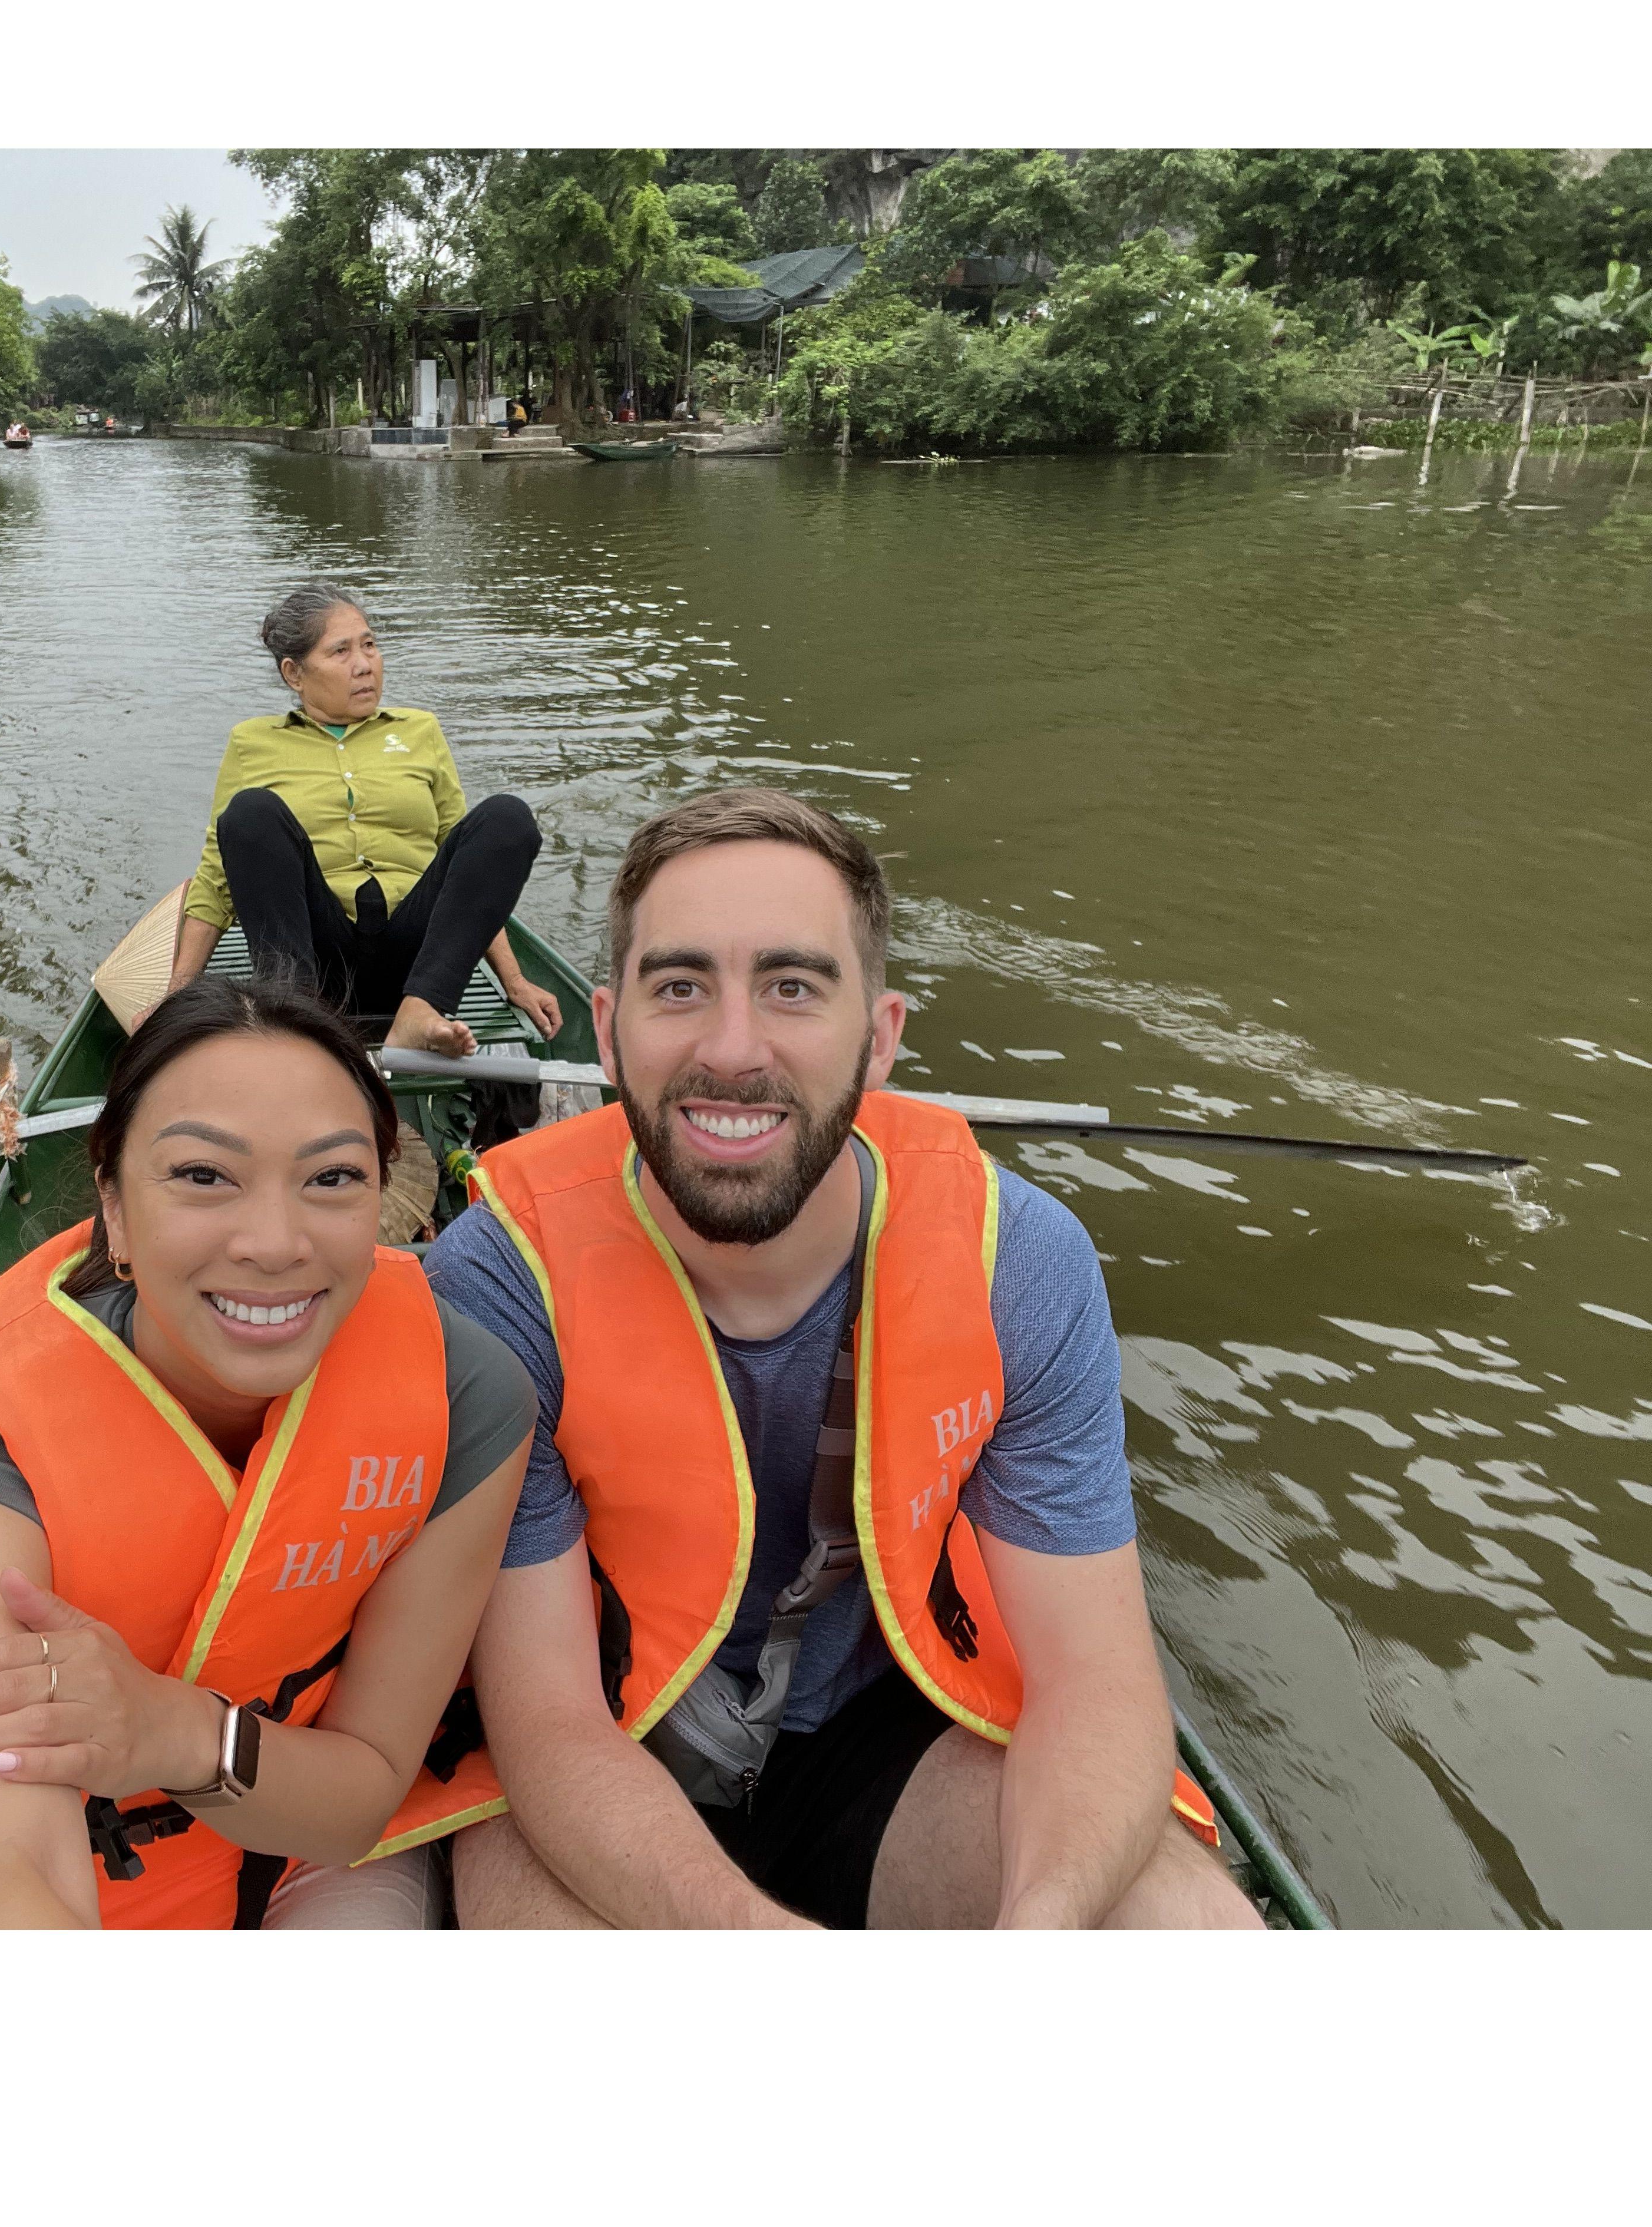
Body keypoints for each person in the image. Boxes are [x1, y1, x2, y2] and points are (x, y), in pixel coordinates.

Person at [426, 788, 1261, 1929]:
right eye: (681, 988)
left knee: (1180, 1921)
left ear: (883, 1036)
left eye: (792, 988)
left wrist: (1045, 1925)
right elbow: (550, 1722)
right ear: (608, 1031)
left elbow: (1097, 1681)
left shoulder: (1016, 1258)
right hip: (602, 1749)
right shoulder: (493, 1283)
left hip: (880, 1737)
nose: (732, 1049)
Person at [0, 974, 533, 1928]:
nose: (274, 1242)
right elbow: (4, 1867)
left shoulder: (462, 1395)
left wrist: (172, 1735)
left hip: (299, 1835)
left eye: (332, 1177)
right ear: (114, 1206)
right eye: (202, 1176)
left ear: (382, 1199)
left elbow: (357, 1800)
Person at [163, 582, 561, 1060]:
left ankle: (421, 1012)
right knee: (249, 813)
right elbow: (217, 878)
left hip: (417, 958)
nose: (364, 664)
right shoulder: (252, 742)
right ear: (295, 673)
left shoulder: (420, 731)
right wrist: (178, 993)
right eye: (341, 651)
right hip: (314, 959)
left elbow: (468, 869)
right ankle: (292, 1016)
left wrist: (513, 981)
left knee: (507, 820)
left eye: (369, 645)